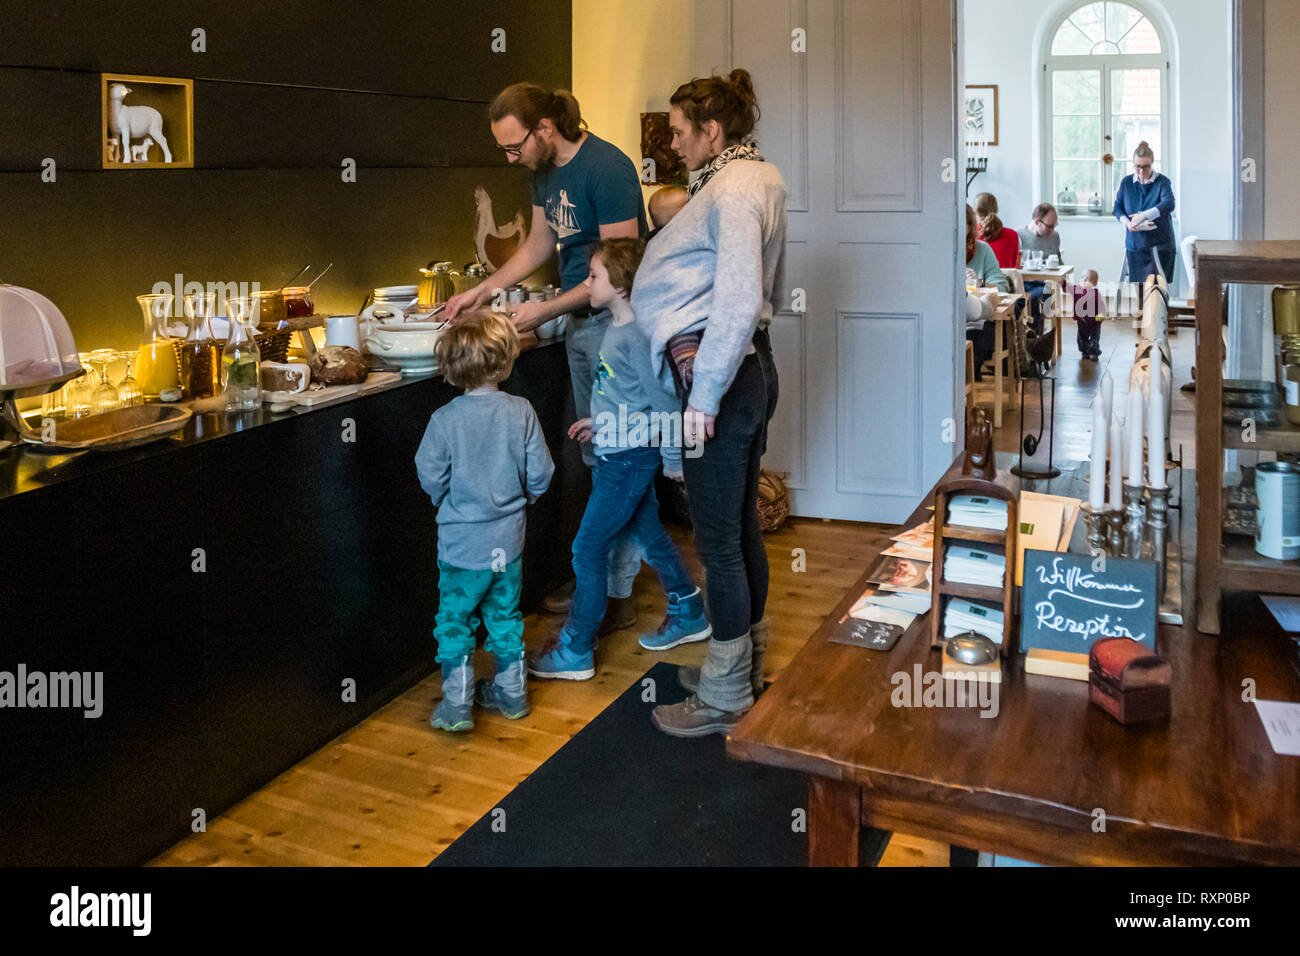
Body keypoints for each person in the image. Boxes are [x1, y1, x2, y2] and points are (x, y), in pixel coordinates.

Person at [439, 82, 649, 637]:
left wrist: (544, 310)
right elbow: (538, 246)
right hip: (582, 328)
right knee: (593, 456)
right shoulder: (544, 172)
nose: (511, 158)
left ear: (545, 129)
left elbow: (621, 272)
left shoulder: (609, 169)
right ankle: (594, 583)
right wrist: (482, 291)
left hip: (616, 327)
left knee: (617, 458)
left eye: (515, 147)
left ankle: (615, 594)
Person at [632, 69, 787, 737]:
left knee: (719, 542)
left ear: (711, 130)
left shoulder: (737, 188)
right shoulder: (739, 180)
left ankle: (726, 695)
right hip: (736, 375)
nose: (671, 142)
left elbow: (736, 300)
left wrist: (703, 395)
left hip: (723, 379)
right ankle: (738, 664)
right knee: (736, 529)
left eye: (677, 131)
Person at [529, 239, 711, 680]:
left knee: (587, 550)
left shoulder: (636, 335)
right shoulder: (616, 326)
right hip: (618, 451)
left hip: (629, 461)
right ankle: (689, 610)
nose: (587, 284)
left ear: (623, 285)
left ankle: (576, 648)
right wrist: (600, 425)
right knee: (649, 536)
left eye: (594, 276)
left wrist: (672, 458)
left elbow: (665, 402)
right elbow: (627, 399)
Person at [415, 312, 555, 732]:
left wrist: (446, 499)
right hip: (507, 542)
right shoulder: (521, 411)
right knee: (504, 615)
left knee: (455, 619)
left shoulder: (445, 419)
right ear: (505, 361)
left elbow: (428, 472)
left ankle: (457, 704)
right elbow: (542, 472)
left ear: (452, 368)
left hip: (460, 545)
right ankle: (512, 694)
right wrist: (525, 498)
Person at [1114, 140, 1176, 285]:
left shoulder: (1162, 182)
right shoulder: (1126, 183)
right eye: (1138, 167)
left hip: (1160, 246)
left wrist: (1143, 215)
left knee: (1159, 292)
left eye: (1146, 167)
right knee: (1139, 292)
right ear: (1133, 164)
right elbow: (1117, 208)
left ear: (1152, 163)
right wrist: (1127, 222)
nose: (1141, 171)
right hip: (1136, 245)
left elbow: (1169, 204)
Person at [964, 203, 1009, 381]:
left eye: (964, 224)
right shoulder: (938, 252)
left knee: (981, 333)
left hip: (977, 317)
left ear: (970, 227)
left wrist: (979, 285)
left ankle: (969, 377)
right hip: (953, 319)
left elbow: (1001, 286)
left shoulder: (982, 250)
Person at [1017, 202, 1063, 334]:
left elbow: (1059, 261)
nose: (1052, 229)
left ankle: (1036, 337)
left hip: (1045, 283)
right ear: (1037, 222)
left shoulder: (1054, 237)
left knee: (1037, 297)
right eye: (1049, 226)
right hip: (1024, 282)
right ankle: (1027, 337)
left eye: (1055, 225)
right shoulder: (1019, 236)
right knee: (1025, 299)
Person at [1072, 269, 1104, 360]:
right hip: (1082, 320)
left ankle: (1093, 353)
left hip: (1095, 321)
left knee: (1095, 338)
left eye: (1085, 279)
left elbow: (1101, 305)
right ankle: (1085, 351)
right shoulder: (1078, 291)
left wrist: (1101, 314)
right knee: (1081, 337)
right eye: (1082, 278)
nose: (1082, 280)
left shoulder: (1096, 294)